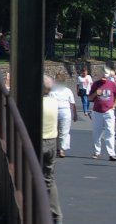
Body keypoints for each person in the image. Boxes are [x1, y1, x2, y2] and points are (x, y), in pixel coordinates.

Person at [42, 75, 63, 223]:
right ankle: (56, 215)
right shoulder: (54, 102)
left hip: (39, 141)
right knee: (49, 178)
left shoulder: (37, 104)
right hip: (51, 141)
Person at [90, 65, 116, 160]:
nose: (104, 78)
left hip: (108, 111)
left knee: (110, 132)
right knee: (97, 132)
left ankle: (111, 154)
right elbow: (90, 98)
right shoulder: (95, 84)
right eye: (102, 76)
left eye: (105, 76)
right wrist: (96, 93)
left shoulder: (112, 84)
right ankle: (97, 152)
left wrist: (113, 107)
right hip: (97, 111)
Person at [52, 81, 76, 157]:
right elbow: (72, 103)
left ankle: (61, 149)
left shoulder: (67, 90)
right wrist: (75, 114)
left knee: (62, 132)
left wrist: (75, 114)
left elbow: (72, 103)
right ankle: (58, 149)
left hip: (63, 111)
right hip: (57, 111)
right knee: (59, 132)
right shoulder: (53, 90)